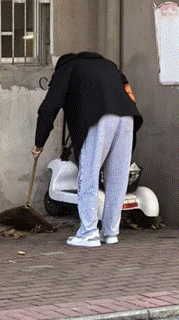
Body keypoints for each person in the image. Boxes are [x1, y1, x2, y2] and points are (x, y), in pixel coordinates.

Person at [33, 52, 143, 247]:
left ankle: (89, 233)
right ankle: (110, 232)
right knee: (117, 177)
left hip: (99, 118)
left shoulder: (67, 69)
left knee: (88, 173)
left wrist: (39, 143)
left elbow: (49, 107)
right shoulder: (109, 65)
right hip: (127, 116)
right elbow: (129, 93)